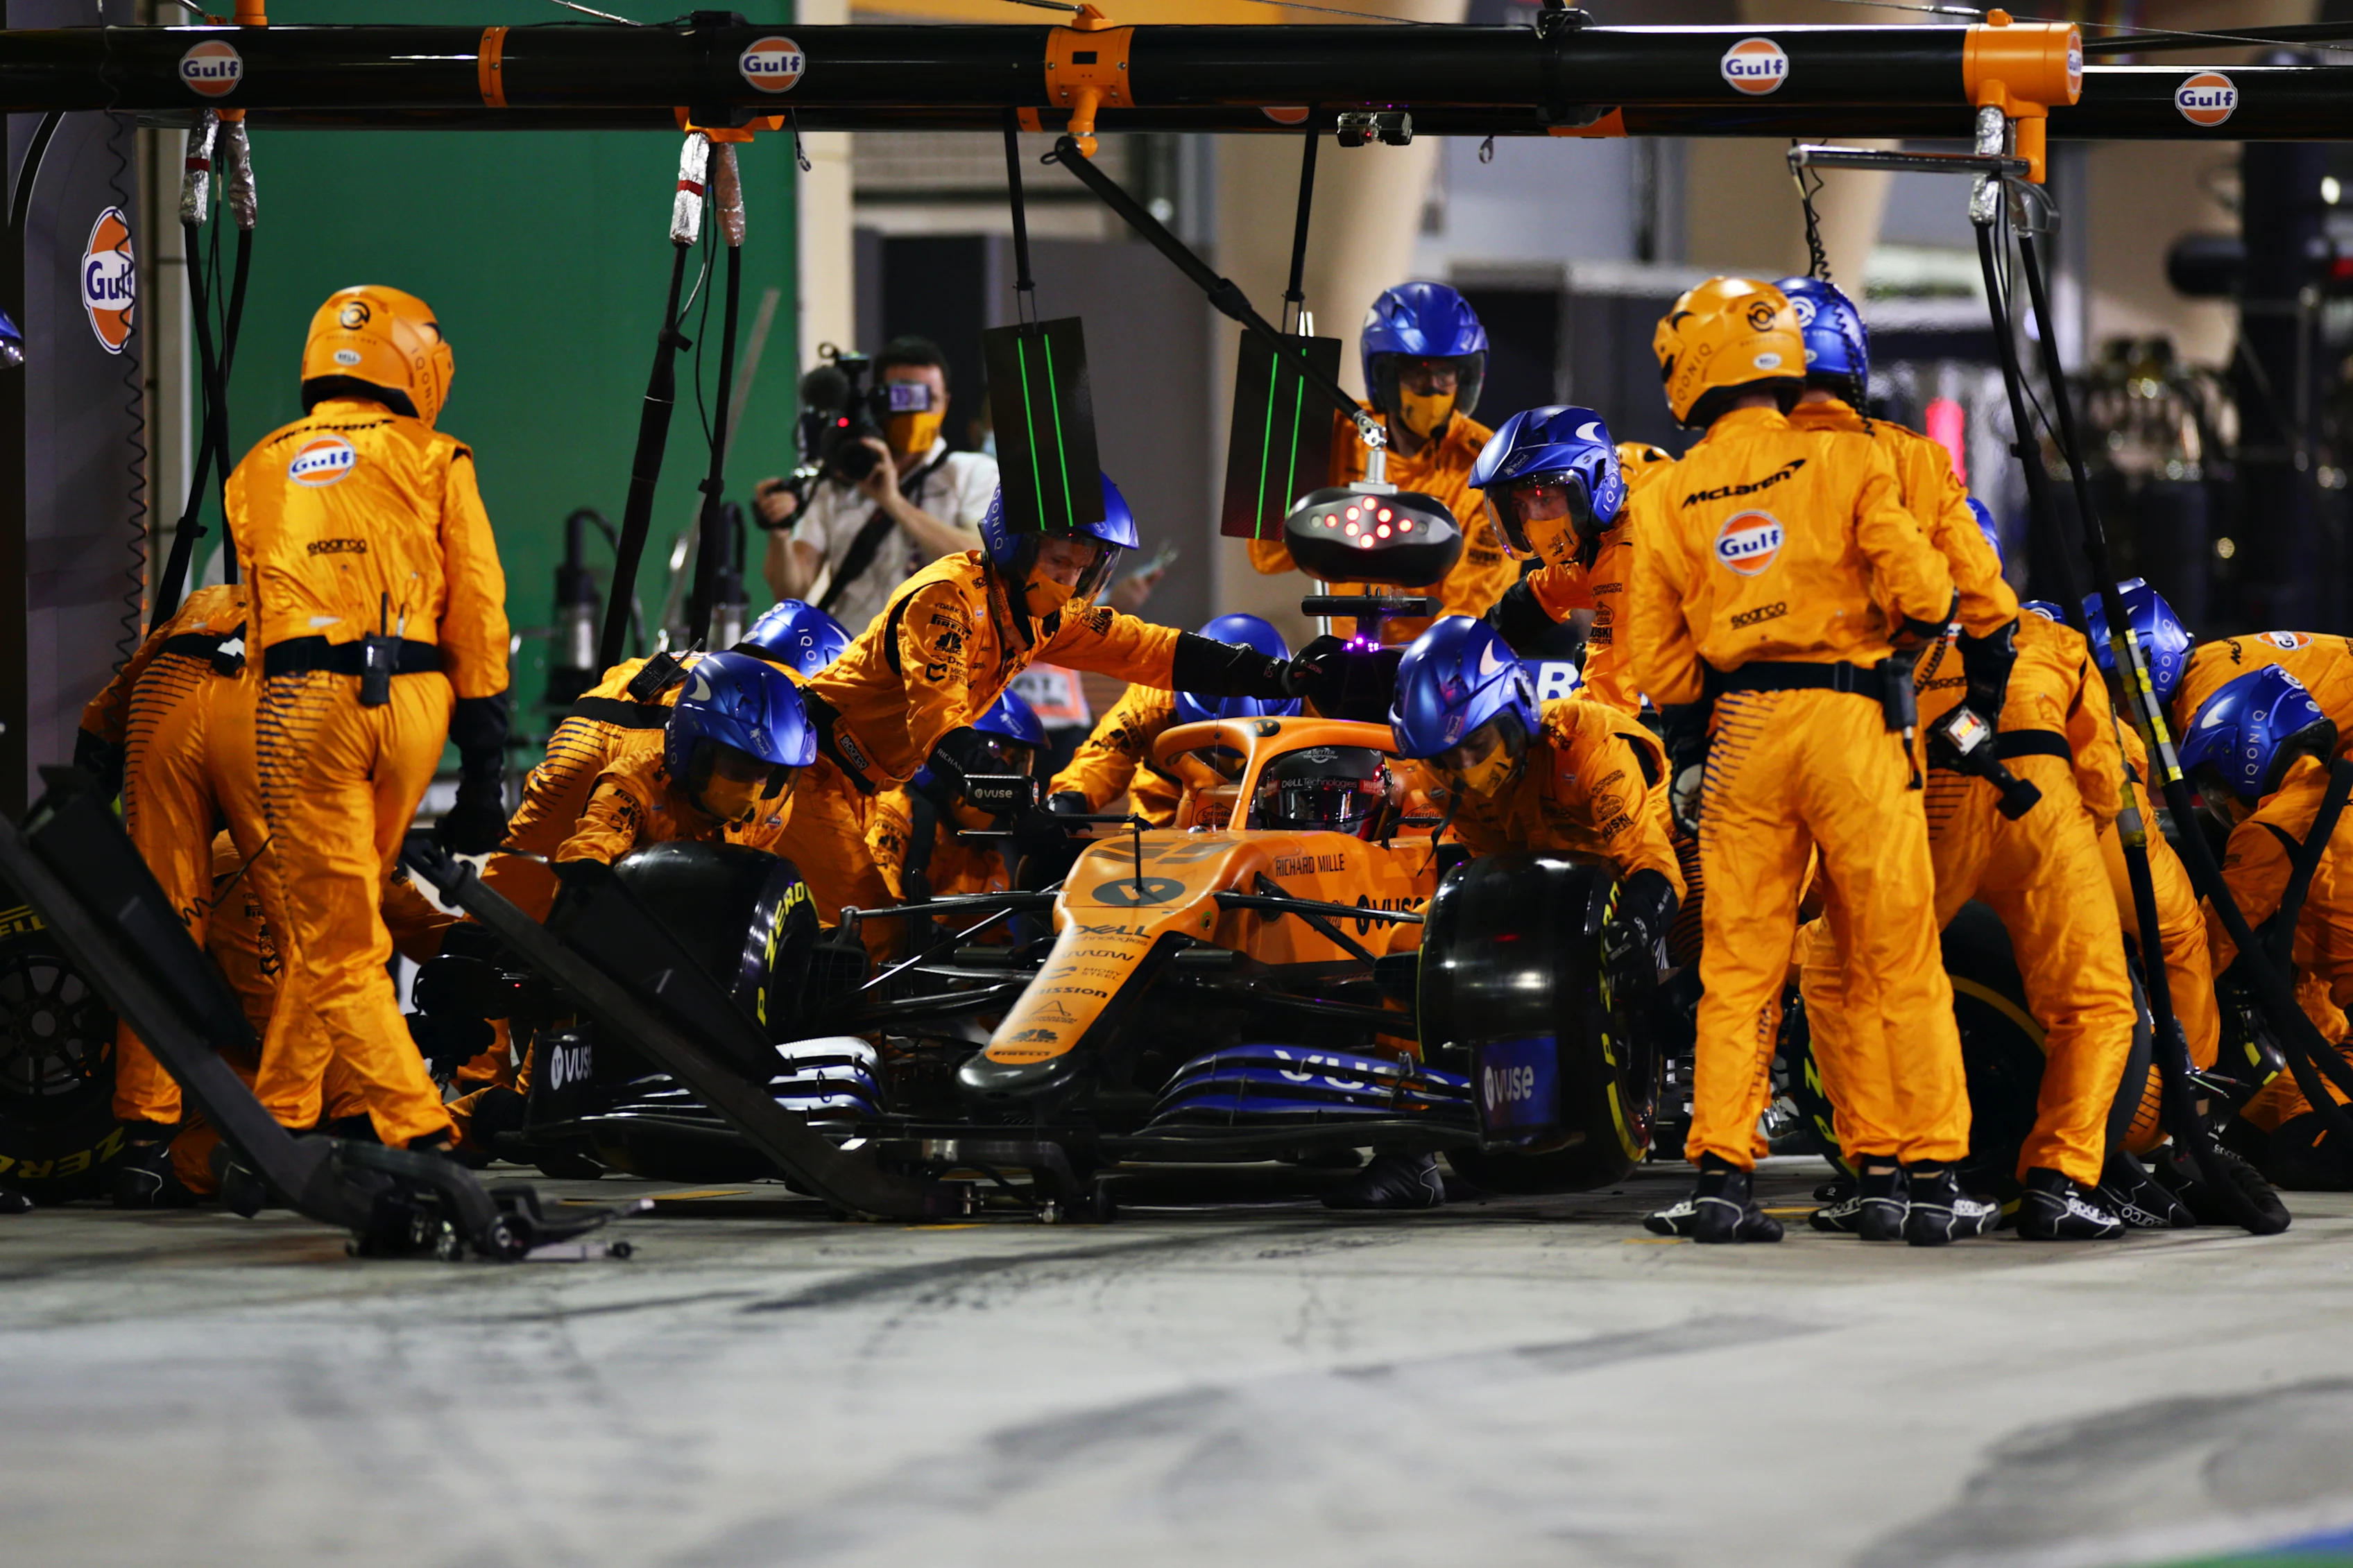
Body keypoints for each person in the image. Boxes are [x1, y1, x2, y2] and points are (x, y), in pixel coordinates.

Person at [1627, 275, 1976, 1246]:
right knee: (1895, 955)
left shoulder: (1665, 495)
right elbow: (1928, 592)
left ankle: (1723, 1179)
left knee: (1739, 969)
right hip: (1854, 726)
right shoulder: (1850, 460)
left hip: (1740, 734)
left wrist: (1699, 737)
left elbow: (1656, 661)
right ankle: (1928, 1179)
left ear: (1694, 371)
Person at [792, 473, 1324, 945]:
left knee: (868, 937)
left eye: (1081, 568)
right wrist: (1023, 810)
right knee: (874, 939)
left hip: (864, 782)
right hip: (813, 769)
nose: (1067, 580)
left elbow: (1149, 647)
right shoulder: (947, 600)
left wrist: (1276, 674)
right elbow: (942, 729)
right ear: (1017, 546)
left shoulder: (1043, 614)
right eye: (1057, 560)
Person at [223, 282, 508, 1160]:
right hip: (416, 706)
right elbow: (481, 609)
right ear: (418, 362)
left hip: (307, 706)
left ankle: (416, 1123)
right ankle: (276, 1124)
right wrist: (486, 762)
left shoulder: (258, 468)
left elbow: (258, 613)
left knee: (336, 933)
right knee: (342, 920)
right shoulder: (437, 457)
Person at [1799, 587, 2145, 1240]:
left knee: (1840, 977)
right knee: (2095, 1003)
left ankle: (1886, 1175)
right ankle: (2057, 1184)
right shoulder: (2056, 641)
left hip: (1936, 798)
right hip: (2043, 798)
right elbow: (2105, 772)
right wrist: (2071, 842)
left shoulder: (1889, 647)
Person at [1349, 615, 1681, 1211]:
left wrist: (1638, 924)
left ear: (1516, 708)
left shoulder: (1587, 746)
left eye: (1477, 745)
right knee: (1404, 953)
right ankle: (1406, 1150)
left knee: (1718, 966)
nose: (1467, 773)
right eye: (1447, 758)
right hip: (1546, 892)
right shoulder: (1439, 782)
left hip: (1658, 862)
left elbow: (1651, 863)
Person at [1246, 283, 1512, 644]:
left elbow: (1473, 609)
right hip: (1342, 653)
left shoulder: (1489, 465)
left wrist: (1420, 667)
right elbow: (1266, 557)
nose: (1432, 388)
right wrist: (1279, 443)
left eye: (1445, 374)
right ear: (1385, 376)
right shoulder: (1334, 432)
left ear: (1464, 379)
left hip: (1438, 662)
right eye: (1416, 374)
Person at [2177, 667, 2353, 1196]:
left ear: (2245, 751)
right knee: (2247, 1142)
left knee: (2294, 1156)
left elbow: (2203, 948)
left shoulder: (2271, 828)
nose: (2216, 797)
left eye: (2213, 781)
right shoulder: (2333, 797)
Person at [755, 336, 999, 635]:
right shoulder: (839, 478)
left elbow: (984, 563)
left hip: (942, 662)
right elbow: (790, 591)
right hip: (854, 661)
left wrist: (892, 501)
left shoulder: (973, 472)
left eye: (928, 400)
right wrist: (780, 534)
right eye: (902, 398)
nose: (914, 413)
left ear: (946, 403)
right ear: (878, 400)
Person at [1474, 407, 1670, 716]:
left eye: (1545, 499)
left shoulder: (1628, 551)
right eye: (1520, 507)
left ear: (1594, 481)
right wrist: (1459, 654)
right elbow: (1534, 598)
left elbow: (1607, 706)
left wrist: (1523, 720)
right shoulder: (1602, 543)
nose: (1532, 519)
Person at [555, 651, 815, 867]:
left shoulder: (770, 808)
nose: (752, 792)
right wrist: (587, 874)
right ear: (696, 750)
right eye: (738, 771)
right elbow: (592, 849)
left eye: (765, 775)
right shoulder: (635, 787)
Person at [1050, 613, 1298, 827]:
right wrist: (1070, 799)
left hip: (1277, 825)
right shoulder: (1152, 699)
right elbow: (1106, 754)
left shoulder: (1313, 706)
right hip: (1162, 829)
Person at [870, 690, 1043, 906]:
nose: (1004, 778)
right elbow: (874, 917)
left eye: (1017, 763)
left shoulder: (983, 856)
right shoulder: (896, 812)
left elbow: (993, 935)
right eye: (994, 756)